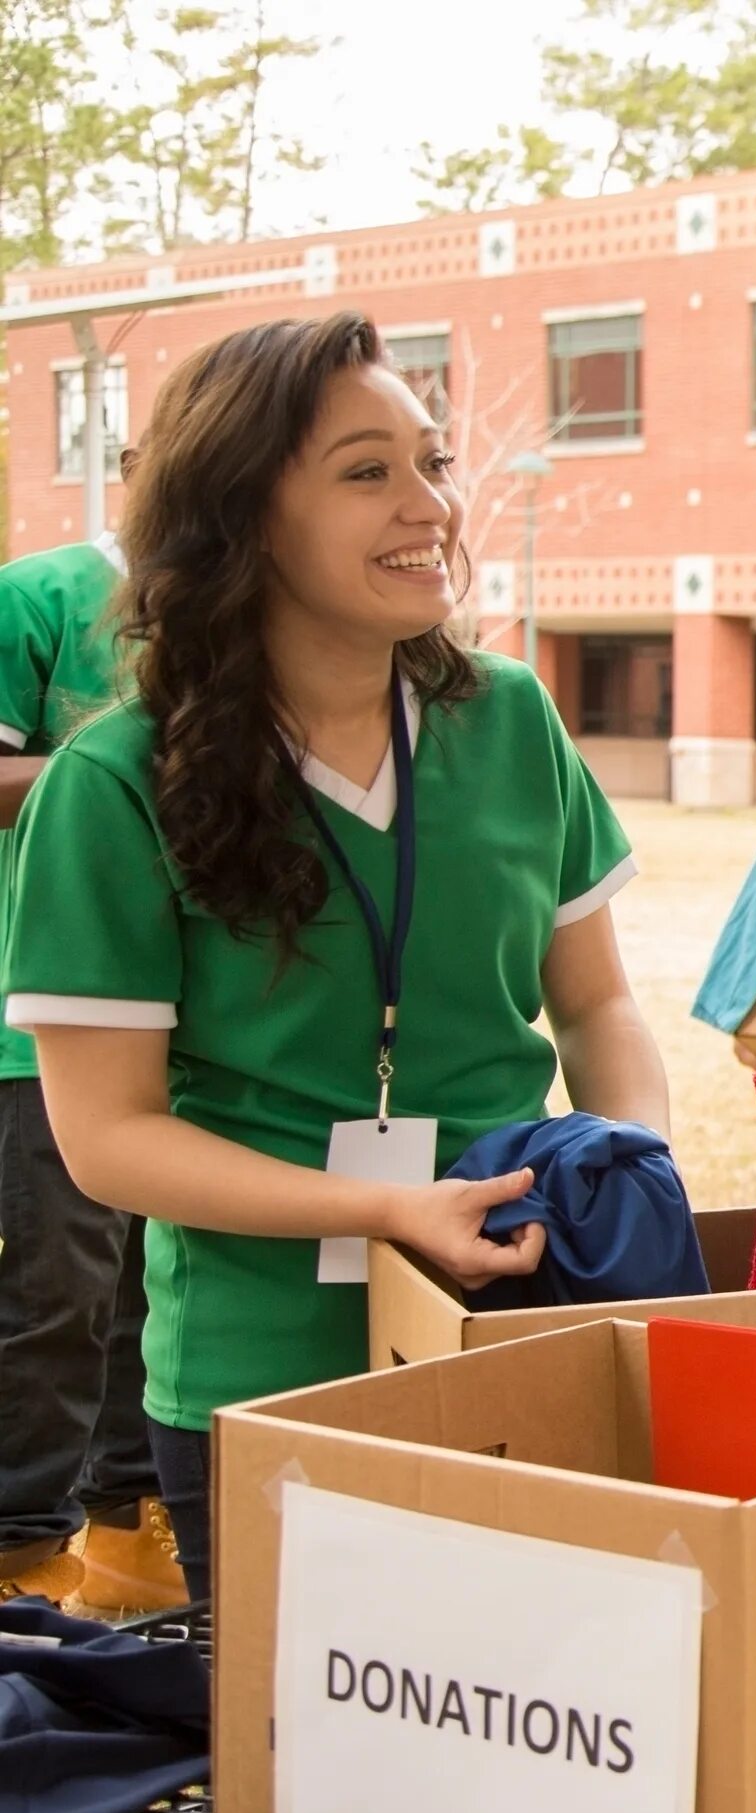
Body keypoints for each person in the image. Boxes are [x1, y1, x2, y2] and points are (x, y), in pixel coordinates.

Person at [3, 312, 672, 1602]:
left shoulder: (512, 719)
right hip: (257, 1379)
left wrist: (626, 1152)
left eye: (431, 462)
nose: (429, 505)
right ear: (242, 516)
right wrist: (381, 1208)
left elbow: (596, 1006)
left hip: (508, 1333)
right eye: (368, 472)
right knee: (311, 1773)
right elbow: (108, 1139)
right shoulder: (112, 780)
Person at [0, 473, 185, 1617]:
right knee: (56, 1290)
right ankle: (20, 1547)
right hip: (38, 1023)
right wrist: (125, 771)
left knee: (152, 1289)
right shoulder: (37, 598)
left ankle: (125, 1525)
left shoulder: (234, 616)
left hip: (183, 1026)